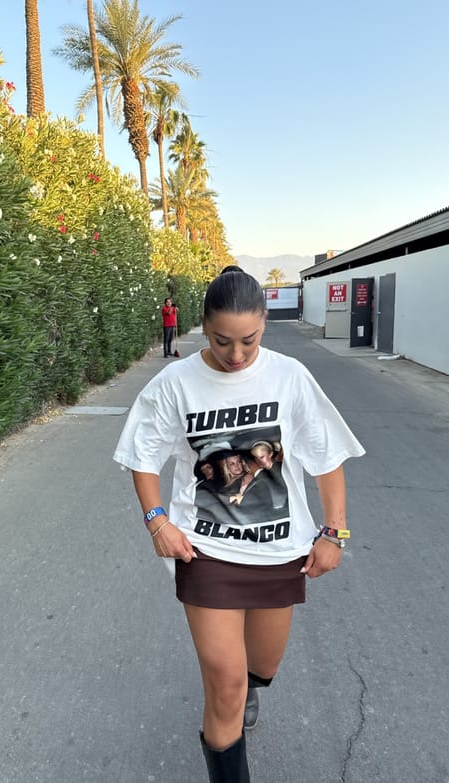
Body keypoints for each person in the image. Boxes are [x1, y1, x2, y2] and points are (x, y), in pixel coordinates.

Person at [114, 267, 365, 782]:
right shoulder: (176, 384)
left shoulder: (289, 376)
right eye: (222, 340)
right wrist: (157, 520)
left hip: (279, 552)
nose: (235, 355)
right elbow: (142, 456)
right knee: (226, 685)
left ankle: (247, 689)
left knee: (261, 669)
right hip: (205, 554)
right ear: (202, 326)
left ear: (264, 325)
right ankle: (229, 715)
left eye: (248, 341)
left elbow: (327, 458)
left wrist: (334, 531)